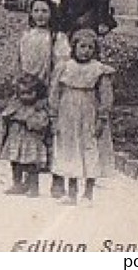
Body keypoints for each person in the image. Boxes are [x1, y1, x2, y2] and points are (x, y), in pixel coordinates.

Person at [49, 29, 115, 205]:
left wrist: (102, 117)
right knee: (70, 150)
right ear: (74, 47)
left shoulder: (99, 70)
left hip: (89, 113)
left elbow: (106, 96)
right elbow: (55, 92)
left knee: (89, 149)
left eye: (90, 48)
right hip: (67, 113)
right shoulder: (65, 67)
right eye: (82, 46)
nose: (85, 51)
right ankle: (71, 192)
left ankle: (88, 193)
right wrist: (54, 116)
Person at [15, 0, 71, 198]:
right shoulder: (26, 36)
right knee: (29, 137)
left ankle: (58, 183)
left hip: (49, 92)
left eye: (44, 11)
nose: (40, 15)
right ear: (30, 13)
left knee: (52, 139)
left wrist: (52, 91)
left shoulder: (57, 38)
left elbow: (61, 67)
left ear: (51, 13)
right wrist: (21, 85)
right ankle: (30, 182)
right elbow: (20, 63)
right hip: (28, 92)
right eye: (36, 11)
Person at [0, 73, 51, 197]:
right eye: (22, 93)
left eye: (29, 93)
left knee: (32, 165)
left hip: (31, 140)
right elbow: (6, 115)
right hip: (16, 139)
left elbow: (42, 123)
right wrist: (10, 116)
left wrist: (26, 120)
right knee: (15, 162)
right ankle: (17, 183)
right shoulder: (16, 105)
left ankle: (33, 187)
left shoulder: (38, 108)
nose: (25, 96)